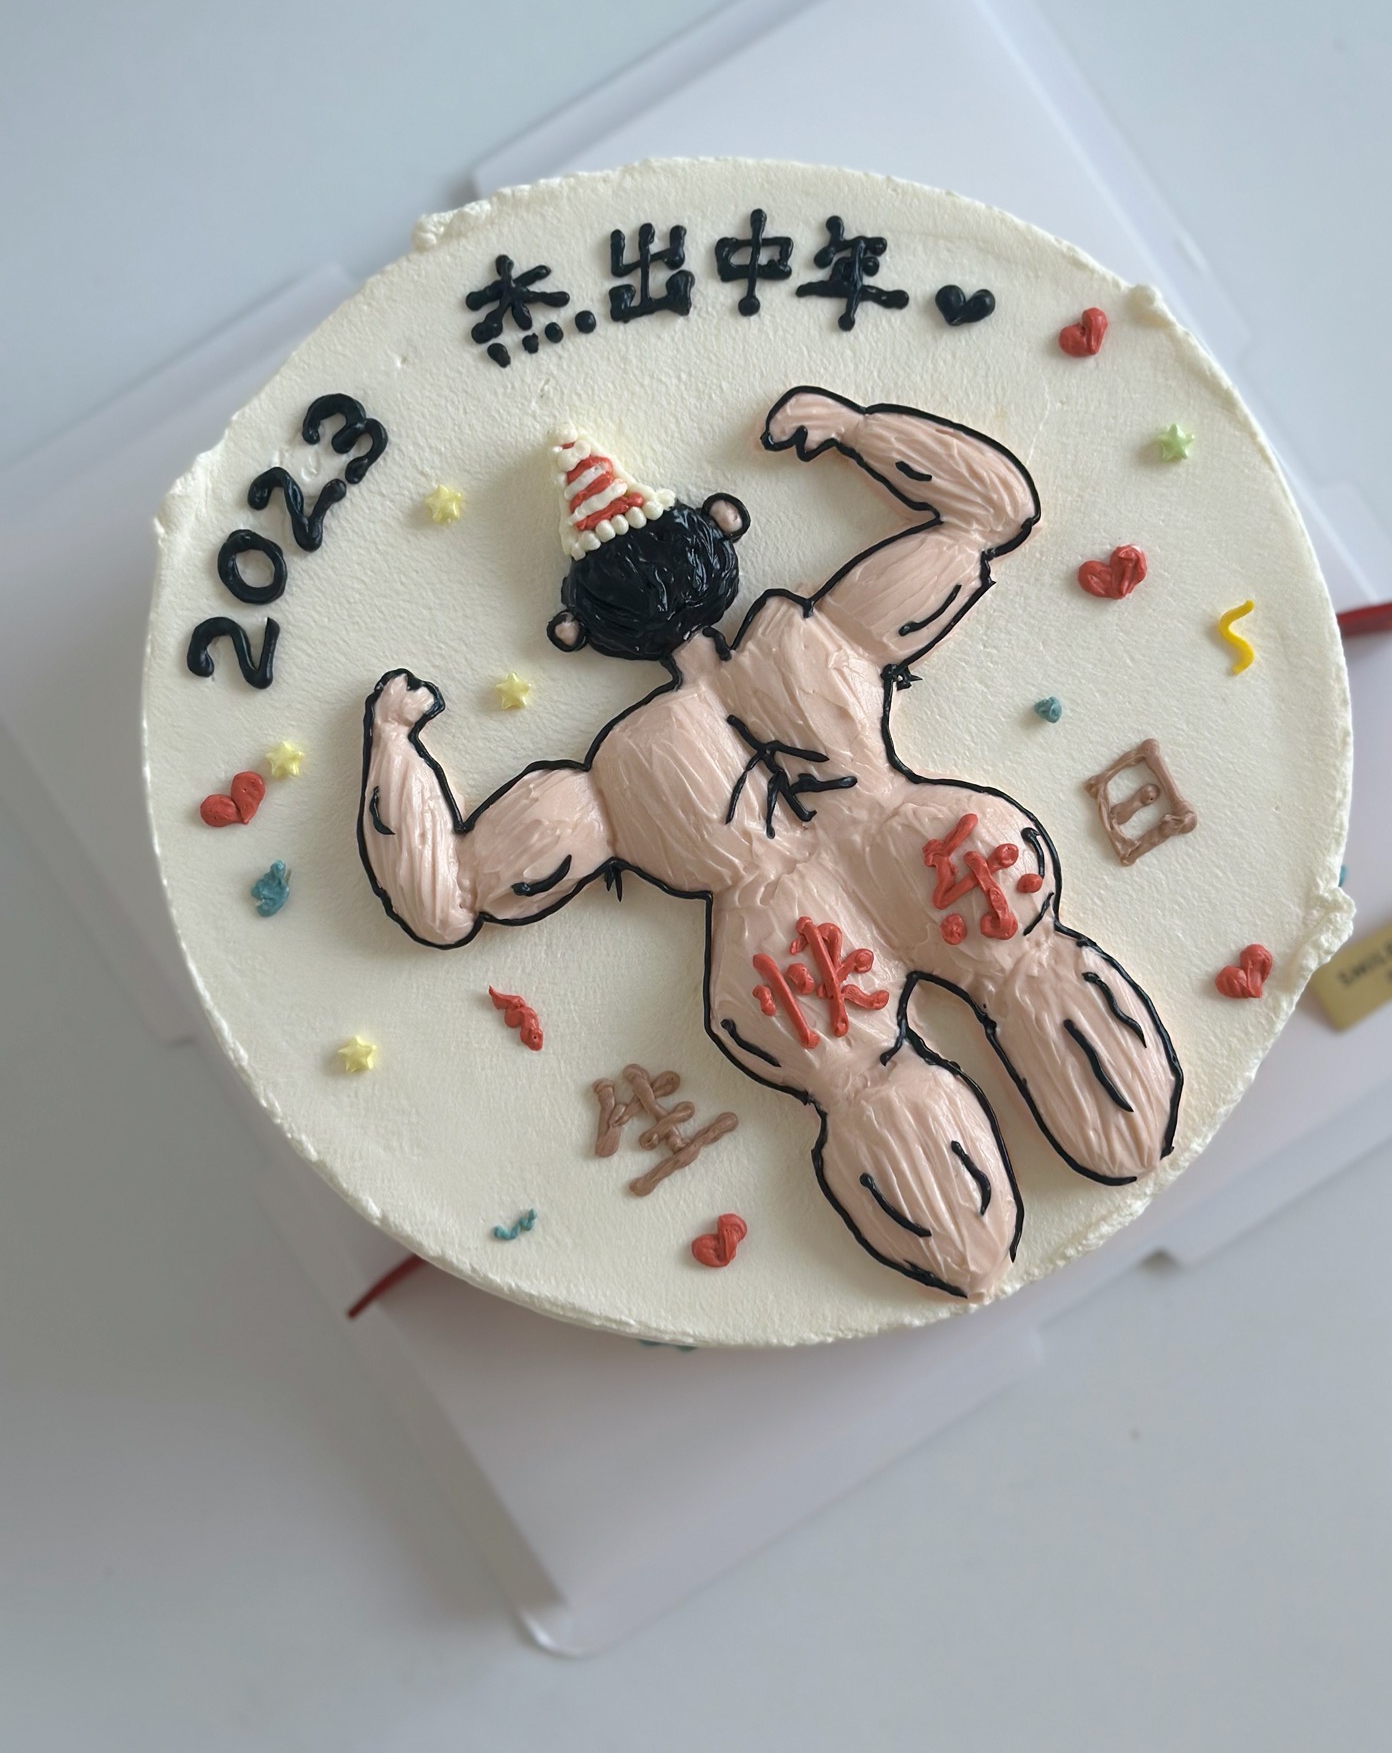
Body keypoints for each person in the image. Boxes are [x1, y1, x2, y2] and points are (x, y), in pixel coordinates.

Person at [359, 388, 1182, 1299]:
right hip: (926, 846)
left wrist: (394, 744)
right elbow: (990, 515)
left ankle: (965, 1244)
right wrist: (855, 431)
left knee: (865, 1086)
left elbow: (449, 897)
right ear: (723, 529)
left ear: (577, 631)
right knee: (1034, 968)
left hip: (785, 946)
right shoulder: (818, 638)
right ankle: (1126, 1128)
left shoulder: (618, 774)